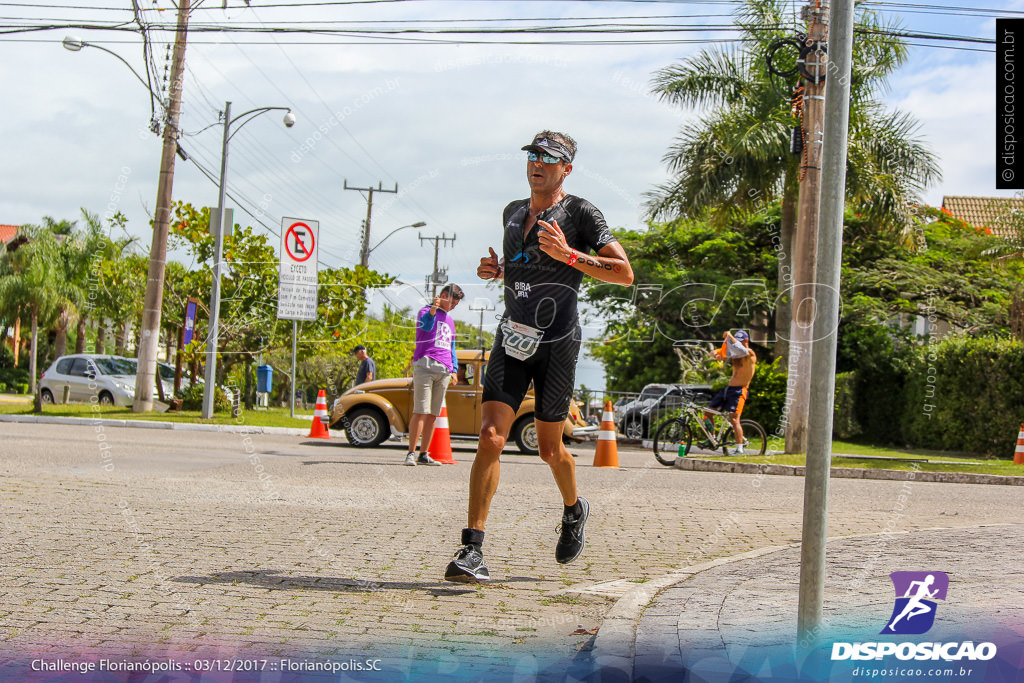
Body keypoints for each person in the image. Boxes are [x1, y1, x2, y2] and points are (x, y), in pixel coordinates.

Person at [443, 130, 634, 583]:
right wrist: (498, 271)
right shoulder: (512, 211)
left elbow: (624, 273)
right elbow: (525, 265)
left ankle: (574, 509)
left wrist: (571, 256)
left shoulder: (582, 213)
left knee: (551, 449)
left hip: (557, 343)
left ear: (566, 168)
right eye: (533, 155)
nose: (538, 163)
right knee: (491, 436)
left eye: (549, 158)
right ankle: (472, 550)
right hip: (512, 338)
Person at [406, 284, 464, 467]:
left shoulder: (451, 320)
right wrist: (432, 310)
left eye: (456, 303)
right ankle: (410, 453)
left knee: (433, 414)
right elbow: (425, 327)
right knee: (420, 410)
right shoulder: (425, 311)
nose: (454, 305)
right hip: (425, 365)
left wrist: (454, 369)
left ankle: (424, 453)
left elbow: (452, 346)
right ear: (443, 296)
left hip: (444, 369)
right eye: (452, 301)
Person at [705, 330, 756, 454]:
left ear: (746, 341)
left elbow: (740, 349)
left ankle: (739, 449)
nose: (738, 343)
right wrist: (716, 353)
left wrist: (730, 336)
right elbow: (723, 353)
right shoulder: (736, 354)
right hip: (729, 389)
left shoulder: (749, 353)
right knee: (708, 413)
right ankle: (712, 438)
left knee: (734, 419)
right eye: (737, 341)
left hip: (740, 391)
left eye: (740, 341)